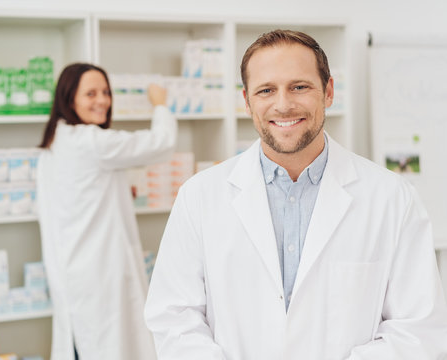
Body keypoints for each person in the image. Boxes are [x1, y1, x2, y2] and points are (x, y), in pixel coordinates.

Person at [144, 30, 447, 359]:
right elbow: (174, 319)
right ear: (246, 101)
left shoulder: (392, 198)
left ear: (328, 92)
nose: (283, 104)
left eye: (299, 87)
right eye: (266, 90)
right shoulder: (199, 197)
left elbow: (417, 331)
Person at [37, 63, 177, 360]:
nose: (102, 100)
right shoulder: (91, 141)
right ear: (69, 98)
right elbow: (161, 144)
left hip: (74, 271)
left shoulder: (55, 143)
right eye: (91, 93)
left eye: (105, 92)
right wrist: (161, 105)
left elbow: (77, 195)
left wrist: (116, 191)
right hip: (98, 274)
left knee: (86, 345)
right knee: (107, 347)